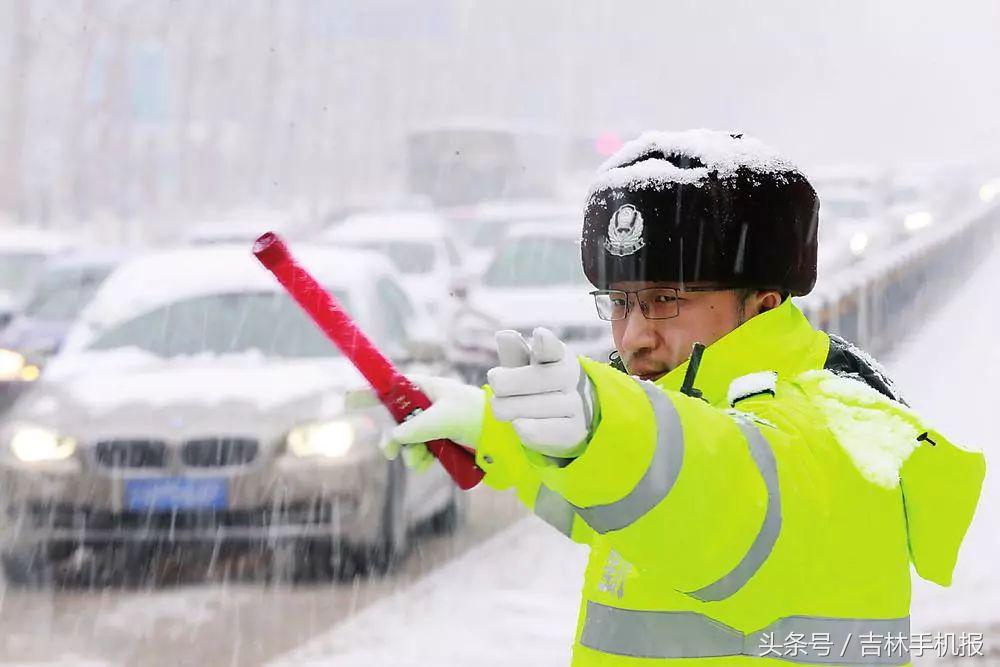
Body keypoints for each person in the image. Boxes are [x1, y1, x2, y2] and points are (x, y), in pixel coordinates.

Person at [381, 130, 986, 666]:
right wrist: (494, 429)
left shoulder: (842, 427)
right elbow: (629, 495)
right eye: (620, 303)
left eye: (667, 300)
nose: (634, 336)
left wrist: (599, 428)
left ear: (764, 303)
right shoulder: (674, 421)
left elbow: (720, 486)